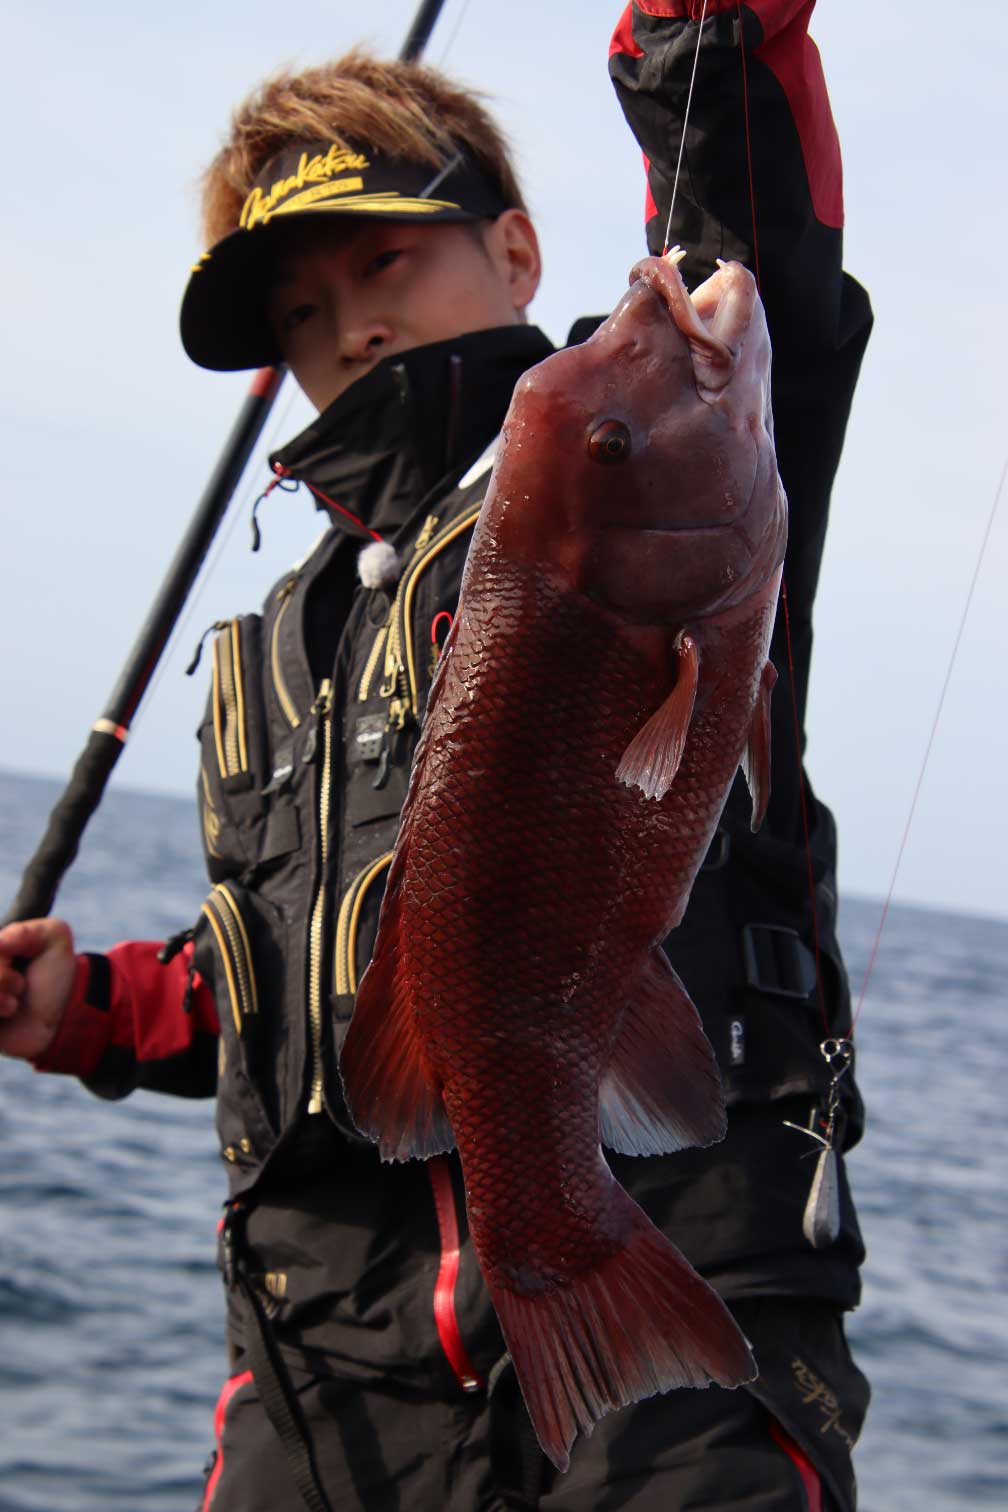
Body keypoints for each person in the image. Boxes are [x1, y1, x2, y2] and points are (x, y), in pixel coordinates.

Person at [0, 5, 873, 1509]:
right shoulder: (280, 647)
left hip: (666, 1335)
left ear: (519, 253)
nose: (347, 324)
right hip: (317, 1376)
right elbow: (305, 979)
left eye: (384, 259)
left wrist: (700, 36)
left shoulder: (641, 459)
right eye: (299, 309)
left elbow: (749, 253)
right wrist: (93, 1008)